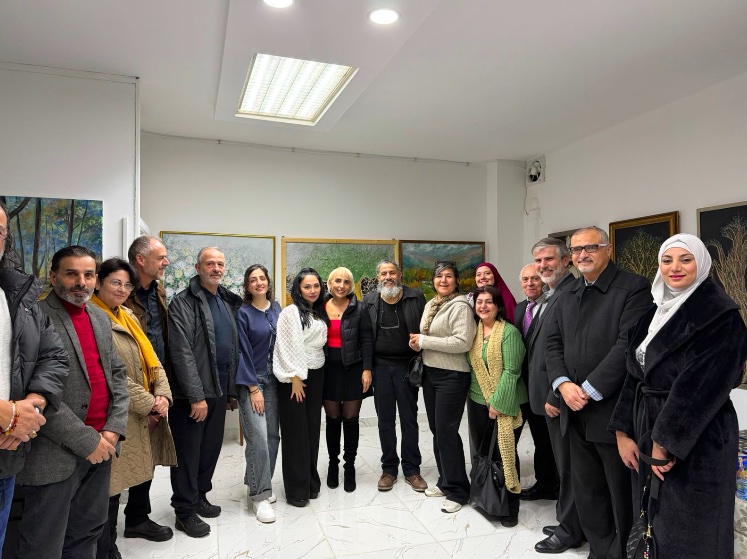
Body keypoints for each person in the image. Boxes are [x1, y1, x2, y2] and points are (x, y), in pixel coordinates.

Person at [610, 233, 747, 559]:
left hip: (698, 439)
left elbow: (702, 386)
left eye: (686, 259)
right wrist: (622, 432)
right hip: (647, 427)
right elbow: (634, 375)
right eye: (667, 260)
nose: (675, 267)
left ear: (702, 264)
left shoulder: (721, 316)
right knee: (653, 523)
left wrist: (665, 441)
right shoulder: (652, 314)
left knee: (691, 530)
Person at [17, 246, 129, 558]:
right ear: (53, 277)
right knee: (44, 543)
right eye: (72, 274)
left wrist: (114, 428)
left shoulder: (99, 318)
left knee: (88, 531)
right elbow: (34, 392)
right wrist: (86, 440)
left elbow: (117, 375)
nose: (81, 282)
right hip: (54, 451)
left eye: (88, 275)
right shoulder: (34, 318)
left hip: (103, 446)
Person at [545, 226, 650, 559]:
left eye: (590, 247)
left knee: (619, 493)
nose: (582, 255)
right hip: (573, 410)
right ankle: (600, 551)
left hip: (612, 413)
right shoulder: (568, 293)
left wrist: (588, 389)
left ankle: (623, 553)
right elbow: (552, 343)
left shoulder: (633, 288)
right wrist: (563, 384)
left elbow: (627, 346)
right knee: (588, 491)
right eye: (576, 250)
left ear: (608, 249)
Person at [91, 258, 176, 559]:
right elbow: (110, 373)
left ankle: (136, 523)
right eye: (115, 282)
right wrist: (149, 402)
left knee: (141, 470)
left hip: (143, 410)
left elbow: (151, 357)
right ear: (98, 282)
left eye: (127, 285)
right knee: (111, 485)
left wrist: (163, 394)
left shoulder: (127, 315)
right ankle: (105, 546)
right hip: (114, 413)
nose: (122, 289)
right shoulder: (92, 317)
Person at [0, 203, 68, 553]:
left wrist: (31, 405)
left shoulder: (19, 297)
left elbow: (53, 356)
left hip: (6, 453)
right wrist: (8, 415)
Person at [168, 247, 241, 537]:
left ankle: (199, 496)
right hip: (193, 394)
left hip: (219, 389)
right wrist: (196, 396)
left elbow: (231, 346)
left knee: (209, 449)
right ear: (198, 267)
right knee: (188, 453)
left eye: (220, 264)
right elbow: (181, 352)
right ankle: (184, 511)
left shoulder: (224, 300)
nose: (216, 268)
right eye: (210, 263)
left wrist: (231, 389)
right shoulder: (183, 302)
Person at [526, 237, 583, 554]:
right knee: (563, 465)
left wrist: (555, 394)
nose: (543, 265)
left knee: (570, 467)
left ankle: (571, 530)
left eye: (549, 259)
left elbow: (568, 352)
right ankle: (567, 519)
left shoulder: (571, 294)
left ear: (565, 260)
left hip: (558, 397)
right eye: (538, 260)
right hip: (546, 395)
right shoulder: (551, 294)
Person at [120, 235, 175, 545]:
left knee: (149, 452)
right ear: (140, 260)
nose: (166, 262)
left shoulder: (159, 291)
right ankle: (103, 530)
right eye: (160, 257)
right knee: (121, 454)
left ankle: (137, 518)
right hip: (126, 385)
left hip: (155, 382)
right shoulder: (120, 292)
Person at [409, 260, 476, 513]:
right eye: (439, 276)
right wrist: (418, 343)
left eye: (448, 276)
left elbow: (462, 342)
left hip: (453, 376)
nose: (443, 280)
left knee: (447, 433)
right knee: (438, 431)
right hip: (431, 374)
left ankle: (459, 491)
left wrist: (425, 341)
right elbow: (429, 338)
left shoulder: (461, 306)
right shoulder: (431, 304)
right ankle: (445, 481)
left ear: (457, 281)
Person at [362, 260, 428, 493]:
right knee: (385, 421)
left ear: (400, 274)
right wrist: (366, 368)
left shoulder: (415, 297)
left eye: (392, 272)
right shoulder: (370, 301)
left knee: (409, 419)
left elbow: (426, 328)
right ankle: (389, 469)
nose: (388, 277)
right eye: (383, 273)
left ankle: (412, 470)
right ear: (378, 277)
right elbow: (366, 337)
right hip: (380, 368)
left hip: (407, 367)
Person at [467, 285, 526, 527]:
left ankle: (511, 507)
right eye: (479, 302)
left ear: (498, 306)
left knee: (505, 454)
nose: (483, 306)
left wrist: (498, 403)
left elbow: (512, 371)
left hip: (506, 402)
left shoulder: (509, 333)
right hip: (476, 400)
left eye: (488, 302)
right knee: (484, 454)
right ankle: (488, 499)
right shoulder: (475, 331)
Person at [273, 268, 327, 508]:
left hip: (317, 375)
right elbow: (285, 345)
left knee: (312, 431)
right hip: (294, 379)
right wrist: (294, 376)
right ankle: (296, 490)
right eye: (307, 286)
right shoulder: (290, 312)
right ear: (298, 289)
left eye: (316, 286)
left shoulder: (318, 312)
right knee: (296, 434)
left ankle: (311, 482)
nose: (312, 290)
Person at [235, 264, 281, 523]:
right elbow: (242, 351)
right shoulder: (243, 313)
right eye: (253, 280)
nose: (259, 283)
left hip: (276, 379)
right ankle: (260, 496)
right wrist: (253, 388)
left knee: (272, 436)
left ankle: (258, 483)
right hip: (253, 381)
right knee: (259, 438)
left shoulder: (277, 309)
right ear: (247, 286)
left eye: (262, 278)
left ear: (268, 282)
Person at [322, 267, 373, 493]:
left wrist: (367, 369)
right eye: (337, 281)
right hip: (327, 371)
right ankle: (333, 464)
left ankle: (349, 466)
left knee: (351, 419)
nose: (341, 285)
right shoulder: (319, 307)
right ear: (329, 283)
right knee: (333, 419)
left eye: (346, 282)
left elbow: (367, 340)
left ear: (351, 286)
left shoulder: (360, 308)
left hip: (353, 370)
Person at [514, 264, 558, 505]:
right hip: (521, 386)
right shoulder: (520, 309)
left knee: (544, 440)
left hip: (543, 385)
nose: (530, 283)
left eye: (535, 278)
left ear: (544, 281)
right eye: (525, 280)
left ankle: (548, 485)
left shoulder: (553, 306)